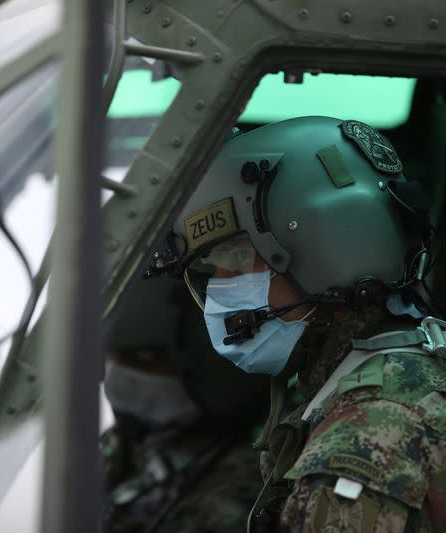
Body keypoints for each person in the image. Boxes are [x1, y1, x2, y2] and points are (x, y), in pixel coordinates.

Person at [166, 115, 446, 531]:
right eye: (214, 268)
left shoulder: (368, 428)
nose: (221, 290)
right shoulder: (400, 372)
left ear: (329, 248)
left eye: (238, 258)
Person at [100, 274, 269, 533]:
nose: (119, 375)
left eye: (145, 358)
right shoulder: (121, 446)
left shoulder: (238, 492)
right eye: (113, 359)